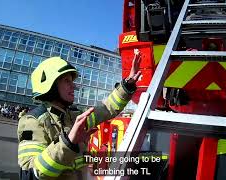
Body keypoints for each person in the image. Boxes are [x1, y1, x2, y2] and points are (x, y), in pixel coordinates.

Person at [17, 49, 142, 180]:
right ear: (50, 85)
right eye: (67, 81)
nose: (74, 86)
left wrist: (127, 84)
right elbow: (29, 174)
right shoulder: (32, 121)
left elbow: (106, 109)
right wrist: (68, 143)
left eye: (72, 81)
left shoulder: (75, 117)